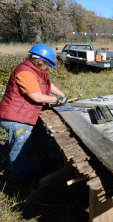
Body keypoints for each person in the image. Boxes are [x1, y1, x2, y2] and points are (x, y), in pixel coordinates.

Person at [0, 44, 67, 183]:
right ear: (40, 60)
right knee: (21, 151)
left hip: (29, 115)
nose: (48, 67)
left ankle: (47, 165)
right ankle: (24, 181)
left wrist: (63, 96)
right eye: (48, 64)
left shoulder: (36, 71)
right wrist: (58, 100)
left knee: (41, 138)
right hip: (16, 118)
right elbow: (36, 97)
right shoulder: (25, 72)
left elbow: (48, 85)